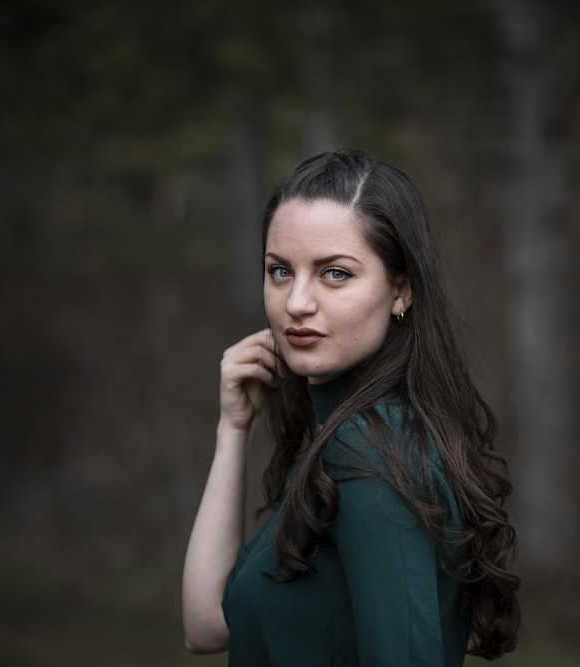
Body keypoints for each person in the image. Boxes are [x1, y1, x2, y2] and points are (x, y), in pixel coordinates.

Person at [182, 149, 520, 666]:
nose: (296, 301)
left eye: (334, 274)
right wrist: (234, 427)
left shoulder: (370, 448)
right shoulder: (343, 435)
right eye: (279, 271)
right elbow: (206, 625)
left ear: (400, 290)